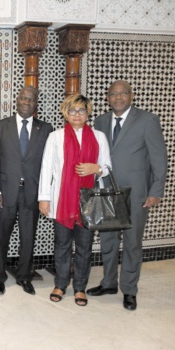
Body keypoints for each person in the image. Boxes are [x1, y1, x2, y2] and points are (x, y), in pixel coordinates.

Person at [87, 80, 167, 311]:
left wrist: (155, 191)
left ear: (131, 96)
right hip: (107, 192)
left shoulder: (147, 120)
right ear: (107, 97)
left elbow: (159, 160)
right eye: (113, 94)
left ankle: (129, 290)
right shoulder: (100, 121)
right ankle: (109, 283)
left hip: (137, 194)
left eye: (123, 94)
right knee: (108, 242)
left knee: (132, 244)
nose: (118, 97)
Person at [39, 94, 111, 307]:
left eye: (81, 110)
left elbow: (107, 167)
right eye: (72, 111)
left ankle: (80, 287)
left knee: (84, 246)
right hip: (62, 201)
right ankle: (60, 284)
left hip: (89, 201)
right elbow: (46, 169)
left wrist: (95, 168)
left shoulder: (99, 137)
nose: (77, 115)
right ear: (66, 113)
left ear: (88, 113)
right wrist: (44, 198)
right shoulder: (56, 136)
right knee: (61, 245)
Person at [0, 86, 53, 296]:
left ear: (36, 104)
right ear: (17, 100)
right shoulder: (0, 126)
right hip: (6, 192)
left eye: (32, 100)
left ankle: (24, 276)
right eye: (24, 98)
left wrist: (44, 195)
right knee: (2, 236)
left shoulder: (45, 129)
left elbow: (47, 164)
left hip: (31, 193)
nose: (27, 102)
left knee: (28, 237)